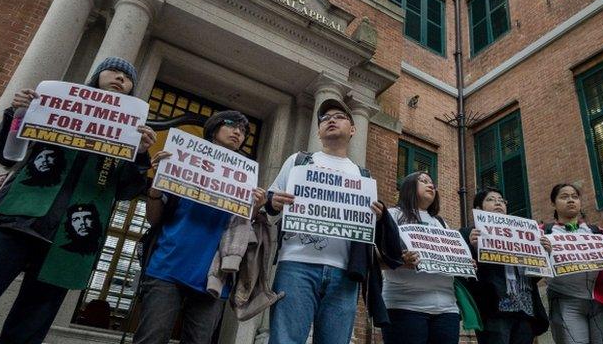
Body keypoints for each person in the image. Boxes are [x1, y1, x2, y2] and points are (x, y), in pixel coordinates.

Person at [0, 57, 155, 344]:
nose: (121, 78)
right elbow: (9, 156)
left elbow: (125, 191)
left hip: (71, 242)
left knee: (28, 329)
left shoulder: (129, 135)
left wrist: (140, 156)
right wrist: (18, 114)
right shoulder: (52, 107)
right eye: (114, 71)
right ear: (96, 75)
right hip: (13, 222)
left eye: (128, 76)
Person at [265, 98, 402, 344]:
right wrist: (273, 201)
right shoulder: (298, 161)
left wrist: (378, 218)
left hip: (344, 272)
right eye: (325, 118)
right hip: (296, 265)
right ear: (318, 131)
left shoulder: (363, 177)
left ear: (353, 129)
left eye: (339, 116)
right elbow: (269, 202)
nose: (330, 120)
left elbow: (369, 229)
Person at [132, 110, 267, 344]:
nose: (238, 132)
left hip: (213, 278)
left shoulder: (244, 177)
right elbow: (154, 220)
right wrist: (155, 187)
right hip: (167, 267)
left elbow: (242, 229)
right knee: (150, 339)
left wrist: (255, 207)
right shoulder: (182, 160)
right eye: (232, 125)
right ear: (214, 128)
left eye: (244, 130)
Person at [541, 183, 603, 344]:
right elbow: (533, 266)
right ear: (553, 203)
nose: (571, 200)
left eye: (575, 196)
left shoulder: (597, 231)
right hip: (565, 299)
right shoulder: (543, 231)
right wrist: (544, 252)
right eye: (564, 197)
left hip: (602, 301)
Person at [381, 171, 460, 344]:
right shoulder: (393, 215)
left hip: (447, 309)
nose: (431, 185)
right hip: (404, 305)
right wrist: (401, 261)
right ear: (408, 186)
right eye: (423, 181)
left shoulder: (441, 223)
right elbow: (377, 257)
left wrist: (464, 263)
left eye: (432, 183)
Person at [460, 188, 548, 344]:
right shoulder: (468, 233)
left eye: (501, 200)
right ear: (478, 209)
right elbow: (464, 273)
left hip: (524, 309)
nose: (498, 203)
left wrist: (543, 255)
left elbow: (534, 277)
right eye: (491, 199)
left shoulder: (522, 234)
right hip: (494, 310)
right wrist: (472, 248)